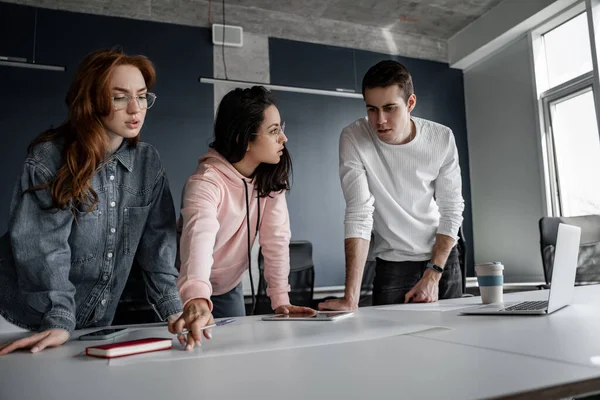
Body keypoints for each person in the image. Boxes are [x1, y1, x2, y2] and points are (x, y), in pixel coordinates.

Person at [0, 49, 182, 355]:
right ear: (92, 100)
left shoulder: (148, 162)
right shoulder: (49, 158)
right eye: (120, 97)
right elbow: (44, 250)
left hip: (91, 323)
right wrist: (58, 318)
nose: (135, 109)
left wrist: (174, 311)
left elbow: (157, 247)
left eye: (142, 96)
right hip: (21, 319)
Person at [171, 86, 315, 351]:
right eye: (273, 131)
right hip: (186, 288)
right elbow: (198, 242)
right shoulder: (205, 183)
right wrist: (196, 299)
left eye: (280, 128)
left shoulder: (268, 179)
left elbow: (276, 241)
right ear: (244, 139)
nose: (283, 138)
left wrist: (280, 300)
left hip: (229, 287)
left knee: (234, 355)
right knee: (189, 357)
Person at [319, 60, 465, 311]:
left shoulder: (441, 138)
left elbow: (451, 209)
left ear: (410, 103)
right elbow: (359, 212)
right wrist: (350, 298)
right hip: (392, 264)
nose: (380, 120)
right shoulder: (354, 137)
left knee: (454, 343)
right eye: (372, 109)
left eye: (389, 108)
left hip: (441, 259)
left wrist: (433, 273)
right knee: (390, 346)